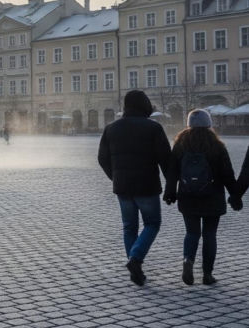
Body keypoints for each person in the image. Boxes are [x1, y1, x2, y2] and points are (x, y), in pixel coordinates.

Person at [98, 90, 171, 286]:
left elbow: (102, 158)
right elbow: (166, 159)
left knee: (129, 227)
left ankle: (135, 269)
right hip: (147, 185)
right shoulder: (153, 128)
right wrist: (172, 186)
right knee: (152, 223)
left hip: (122, 187)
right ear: (144, 105)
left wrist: (115, 176)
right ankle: (135, 259)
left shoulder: (111, 128)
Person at [163, 109, 239, 286]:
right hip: (213, 196)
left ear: (188, 124)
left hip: (187, 196)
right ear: (208, 124)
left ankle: (187, 260)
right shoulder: (217, 145)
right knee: (210, 234)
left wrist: (170, 192)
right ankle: (207, 274)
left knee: (192, 232)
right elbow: (227, 174)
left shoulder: (180, 144)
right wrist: (235, 195)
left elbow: (172, 172)